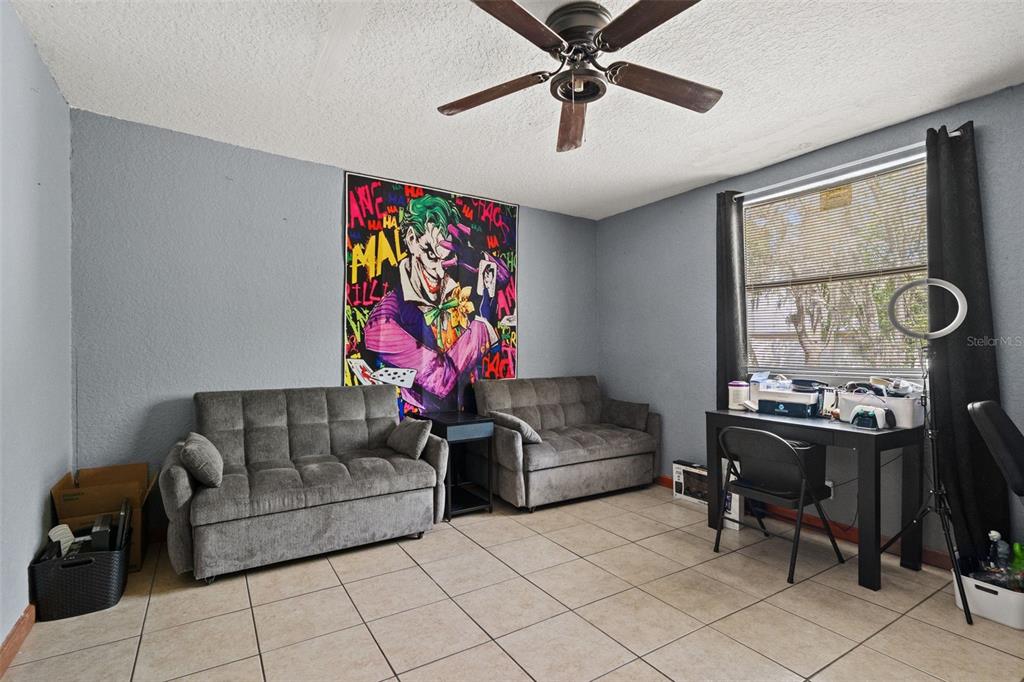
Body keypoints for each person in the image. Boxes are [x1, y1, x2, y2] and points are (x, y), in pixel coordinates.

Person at [362, 195, 499, 412]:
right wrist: (482, 326)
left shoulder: (460, 296)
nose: (439, 270)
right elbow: (439, 379)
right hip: (415, 426)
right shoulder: (383, 320)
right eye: (431, 254)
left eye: (447, 259)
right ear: (411, 240)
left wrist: (492, 282)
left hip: (464, 425)